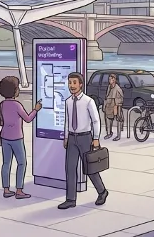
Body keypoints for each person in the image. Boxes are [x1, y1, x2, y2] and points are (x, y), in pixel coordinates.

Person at [58, 72, 108, 210]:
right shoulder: (68, 101)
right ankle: (70, 199)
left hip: (85, 138)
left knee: (90, 168)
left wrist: (96, 138)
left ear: (80, 84)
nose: (71, 86)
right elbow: (67, 120)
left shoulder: (88, 101)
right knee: (70, 168)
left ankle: (102, 192)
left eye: (74, 83)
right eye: (69, 83)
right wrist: (66, 137)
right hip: (72, 138)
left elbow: (96, 120)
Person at [0, 77, 43, 200]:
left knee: (6, 163)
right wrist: (36, 110)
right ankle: (19, 190)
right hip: (17, 138)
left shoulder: (2, 104)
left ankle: (6, 189)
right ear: (15, 91)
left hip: (5, 137)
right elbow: (27, 118)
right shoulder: (17, 105)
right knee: (21, 163)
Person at [103, 73, 123, 141]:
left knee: (118, 120)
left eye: (110, 79)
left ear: (114, 80)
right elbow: (107, 96)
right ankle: (109, 133)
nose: (109, 80)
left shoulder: (117, 88)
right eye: (109, 79)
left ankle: (118, 135)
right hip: (109, 105)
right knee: (108, 120)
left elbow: (120, 98)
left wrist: (116, 105)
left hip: (115, 106)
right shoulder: (109, 87)